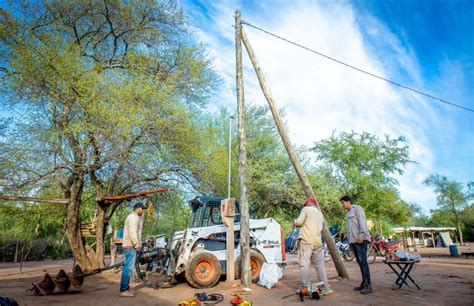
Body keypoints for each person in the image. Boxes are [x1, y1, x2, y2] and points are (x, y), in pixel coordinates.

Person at [294, 197, 334, 296]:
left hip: (307, 241)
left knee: (304, 264)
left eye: (305, 204)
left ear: (308, 203)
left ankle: (305, 288)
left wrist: (294, 221)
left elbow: (299, 222)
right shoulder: (320, 214)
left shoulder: (306, 209)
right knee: (320, 265)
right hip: (317, 242)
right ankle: (326, 287)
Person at [340, 195, 372, 294]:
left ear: (348, 201)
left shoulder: (358, 209)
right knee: (359, 262)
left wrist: (361, 236)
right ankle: (364, 283)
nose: (342, 205)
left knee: (363, 262)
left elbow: (362, 223)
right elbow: (350, 229)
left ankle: (368, 285)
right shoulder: (348, 213)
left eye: (343, 202)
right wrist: (350, 242)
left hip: (360, 240)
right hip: (353, 241)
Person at [120, 201, 147, 297]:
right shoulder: (133, 218)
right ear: (137, 209)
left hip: (130, 245)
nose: (143, 211)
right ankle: (123, 290)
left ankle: (126, 288)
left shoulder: (135, 217)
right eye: (142, 209)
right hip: (130, 246)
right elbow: (132, 232)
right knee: (128, 268)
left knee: (129, 268)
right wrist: (137, 245)